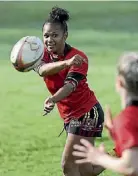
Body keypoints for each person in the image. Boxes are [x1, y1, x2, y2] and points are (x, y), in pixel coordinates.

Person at [33, 6, 104, 176]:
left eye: (55, 35)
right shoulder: (42, 55)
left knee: (67, 165)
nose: (49, 40)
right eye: (46, 36)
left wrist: (53, 99)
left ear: (65, 36)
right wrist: (66, 63)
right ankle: (120, 153)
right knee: (87, 171)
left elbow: (70, 86)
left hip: (87, 113)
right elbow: (43, 70)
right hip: (70, 115)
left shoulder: (79, 57)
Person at [73, 52, 138, 176]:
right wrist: (117, 134)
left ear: (119, 83)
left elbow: (132, 166)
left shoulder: (127, 120)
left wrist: (99, 158)